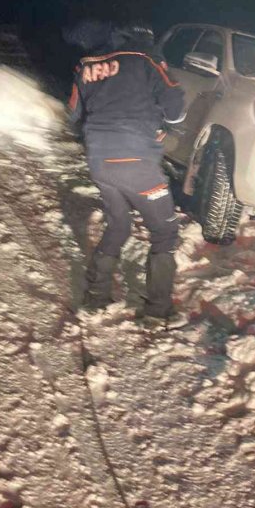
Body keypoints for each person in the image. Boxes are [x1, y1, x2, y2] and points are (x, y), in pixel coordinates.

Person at [67, 20, 186, 323]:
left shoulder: (86, 65)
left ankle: (96, 297)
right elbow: (175, 104)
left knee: (118, 224)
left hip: (99, 161)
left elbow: (73, 114)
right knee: (165, 232)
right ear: (145, 38)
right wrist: (164, 126)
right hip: (136, 161)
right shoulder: (147, 58)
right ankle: (158, 312)